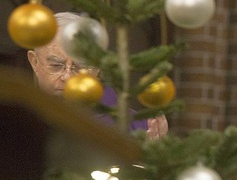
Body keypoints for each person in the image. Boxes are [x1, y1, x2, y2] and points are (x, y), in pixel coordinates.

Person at [27, 12, 168, 139]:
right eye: (56, 66)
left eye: (80, 67)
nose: (68, 77)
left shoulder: (137, 127)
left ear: (97, 69)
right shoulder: (12, 121)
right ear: (34, 62)